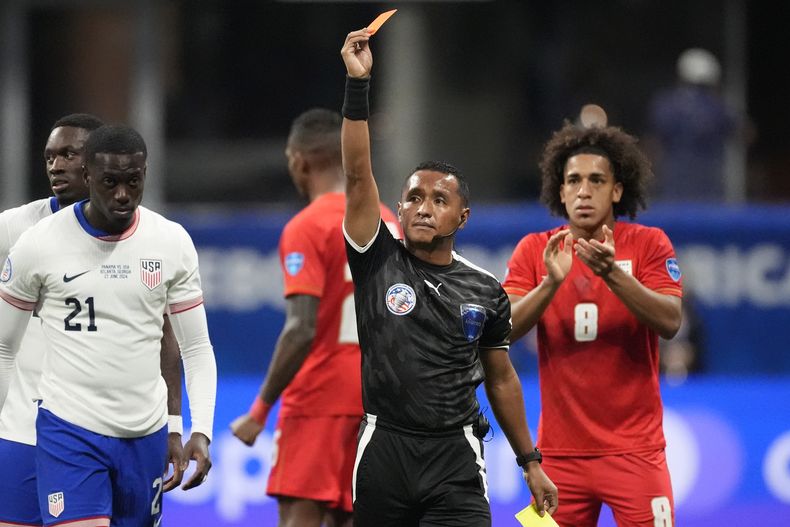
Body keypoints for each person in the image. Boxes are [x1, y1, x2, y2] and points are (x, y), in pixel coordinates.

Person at [340, 28, 558, 526]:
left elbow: (501, 378)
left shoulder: (485, 290)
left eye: (440, 200)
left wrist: (531, 464)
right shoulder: (377, 259)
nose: (424, 208)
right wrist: (358, 85)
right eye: (414, 197)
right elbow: (356, 174)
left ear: (462, 217)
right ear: (397, 208)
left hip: (455, 456)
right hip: (384, 449)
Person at [0, 124, 217, 527]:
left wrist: (197, 429)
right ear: (88, 178)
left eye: (132, 182)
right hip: (69, 431)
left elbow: (195, 348)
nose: (122, 194)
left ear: (146, 174)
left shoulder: (171, 243)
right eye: (109, 183)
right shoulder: (36, 243)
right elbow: (3, 348)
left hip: (144, 436)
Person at [503, 121, 683, 526]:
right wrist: (551, 282)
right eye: (574, 180)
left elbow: (671, 322)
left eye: (597, 180)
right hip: (556, 459)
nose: (584, 190)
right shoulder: (535, 250)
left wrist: (613, 275)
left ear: (617, 190)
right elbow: (503, 330)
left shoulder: (650, 243)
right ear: (561, 190)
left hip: (636, 453)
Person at [230, 108, 400, 527]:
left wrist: (259, 409)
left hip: (319, 401)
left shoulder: (307, 227)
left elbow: (301, 328)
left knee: (299, 519)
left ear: (297, 160)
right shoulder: (389, 222)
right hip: (378, 401)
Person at [647, 48, 736, 201]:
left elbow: (652, 145)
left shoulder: (666, 104)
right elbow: (746, 133)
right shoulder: (717, 106)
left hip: (673, 187)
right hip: (710, 189)